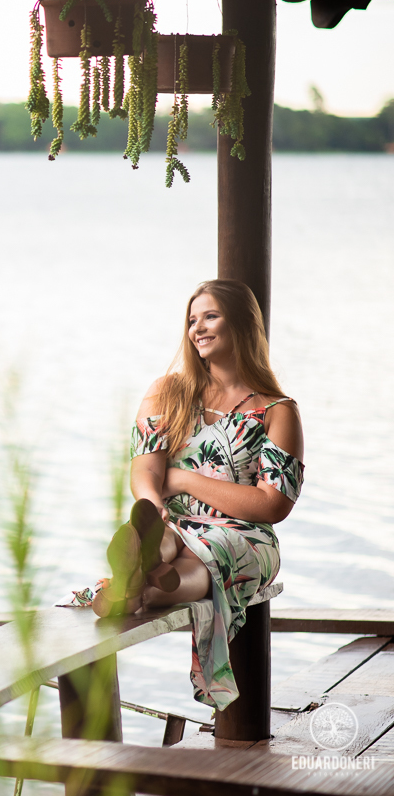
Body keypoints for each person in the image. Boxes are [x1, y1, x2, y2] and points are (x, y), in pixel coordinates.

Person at [93, 278, 305, 710]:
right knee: (168, 533)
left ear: (243, 324)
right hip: (178, 525)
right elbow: (147, 470)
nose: (198, 328)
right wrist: (152, 506)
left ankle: (136, 588)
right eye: (192, 320)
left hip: (246, 537)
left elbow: (271, 505)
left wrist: (186, 480)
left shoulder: (277, 411)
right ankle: (147, 565)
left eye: (211, 316)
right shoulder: (167, 392)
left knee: (215, 547)